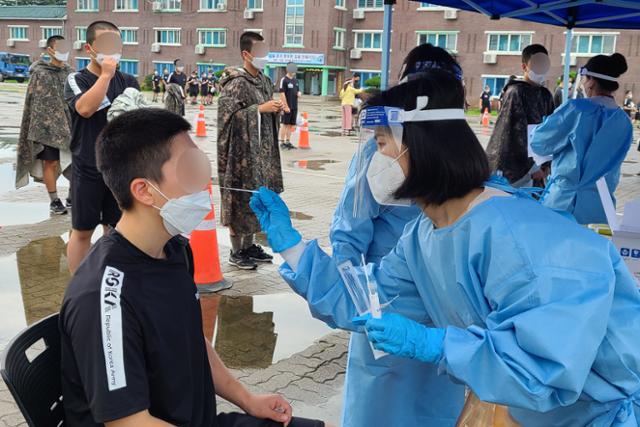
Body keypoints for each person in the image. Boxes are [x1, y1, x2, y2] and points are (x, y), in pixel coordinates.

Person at [250, 71, 640, 427]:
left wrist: (437, 345)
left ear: (420, 146)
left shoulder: (519, 239)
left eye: (382, 143)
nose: (374, 158)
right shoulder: (427, 232)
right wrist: (294, 247)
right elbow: (370, 300)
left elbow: (543, 370)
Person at [60, 108, 326, 427]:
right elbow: (128, 422)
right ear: (144, 190)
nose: (203, 184)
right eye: (188, 171)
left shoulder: (174, 250)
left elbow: (192, 341)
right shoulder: (105, 296)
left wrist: (247, 399)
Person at [283, 44, 465, 427]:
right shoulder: (415, 245)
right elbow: (349, 244)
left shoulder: (487, 226)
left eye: (384, 142)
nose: (379, 151)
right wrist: (306, 257)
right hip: (386, 310)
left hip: (424, 321)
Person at [64, 20, 139, 273]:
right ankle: (78, 290)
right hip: (87, 166)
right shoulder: (76, 79)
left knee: (117, 229)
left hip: (120, 168)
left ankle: (110, 281)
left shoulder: (129, 80)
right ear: (90, 48)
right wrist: (106, 75)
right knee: (83, 230)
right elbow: (85, 109)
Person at [530, 53, 633, 225]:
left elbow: (539, 143)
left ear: (591, 80)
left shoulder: (575, 109)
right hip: (601, 208)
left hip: (564, 204)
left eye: (585, 79)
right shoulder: (624, 121)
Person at [217, 31, 283, 270]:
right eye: (260, 53)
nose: (265, 57)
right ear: (246, 54)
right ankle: (237, 251)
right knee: (240, 199)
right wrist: (258, 109)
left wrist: (274, 108)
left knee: (259, 197)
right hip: (239, 155)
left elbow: (264, 109)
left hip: (262, 153)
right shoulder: (235, 83)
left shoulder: (264, 81)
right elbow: (226, 119)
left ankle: (250, 245)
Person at [16, 35, 73, 215]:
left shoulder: (70, 73)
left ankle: (72, 197)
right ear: (50, 50)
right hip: (47, 128)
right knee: (51, 162)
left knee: (76, 163)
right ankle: (54, 200)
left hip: (70, 126)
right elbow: (35, 103)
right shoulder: (40, 73)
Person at [486, 45, 555, 187]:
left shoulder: (546, 95)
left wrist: (546, 165)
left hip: (539, 166)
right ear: (524, 67)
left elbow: (551, 130)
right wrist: (531, 168)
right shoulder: (515, 92)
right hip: (518, 171)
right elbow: (508, 135)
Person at [278, 62, 301, 150]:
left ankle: (288, 141)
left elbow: (297, 91)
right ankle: (282, 142)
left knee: (291, 125)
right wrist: (285, 106)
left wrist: (299, 94)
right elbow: (282, 93)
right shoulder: (284, 80)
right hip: (287, 106)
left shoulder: (296, 80)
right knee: (285, 124)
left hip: (294, 106)